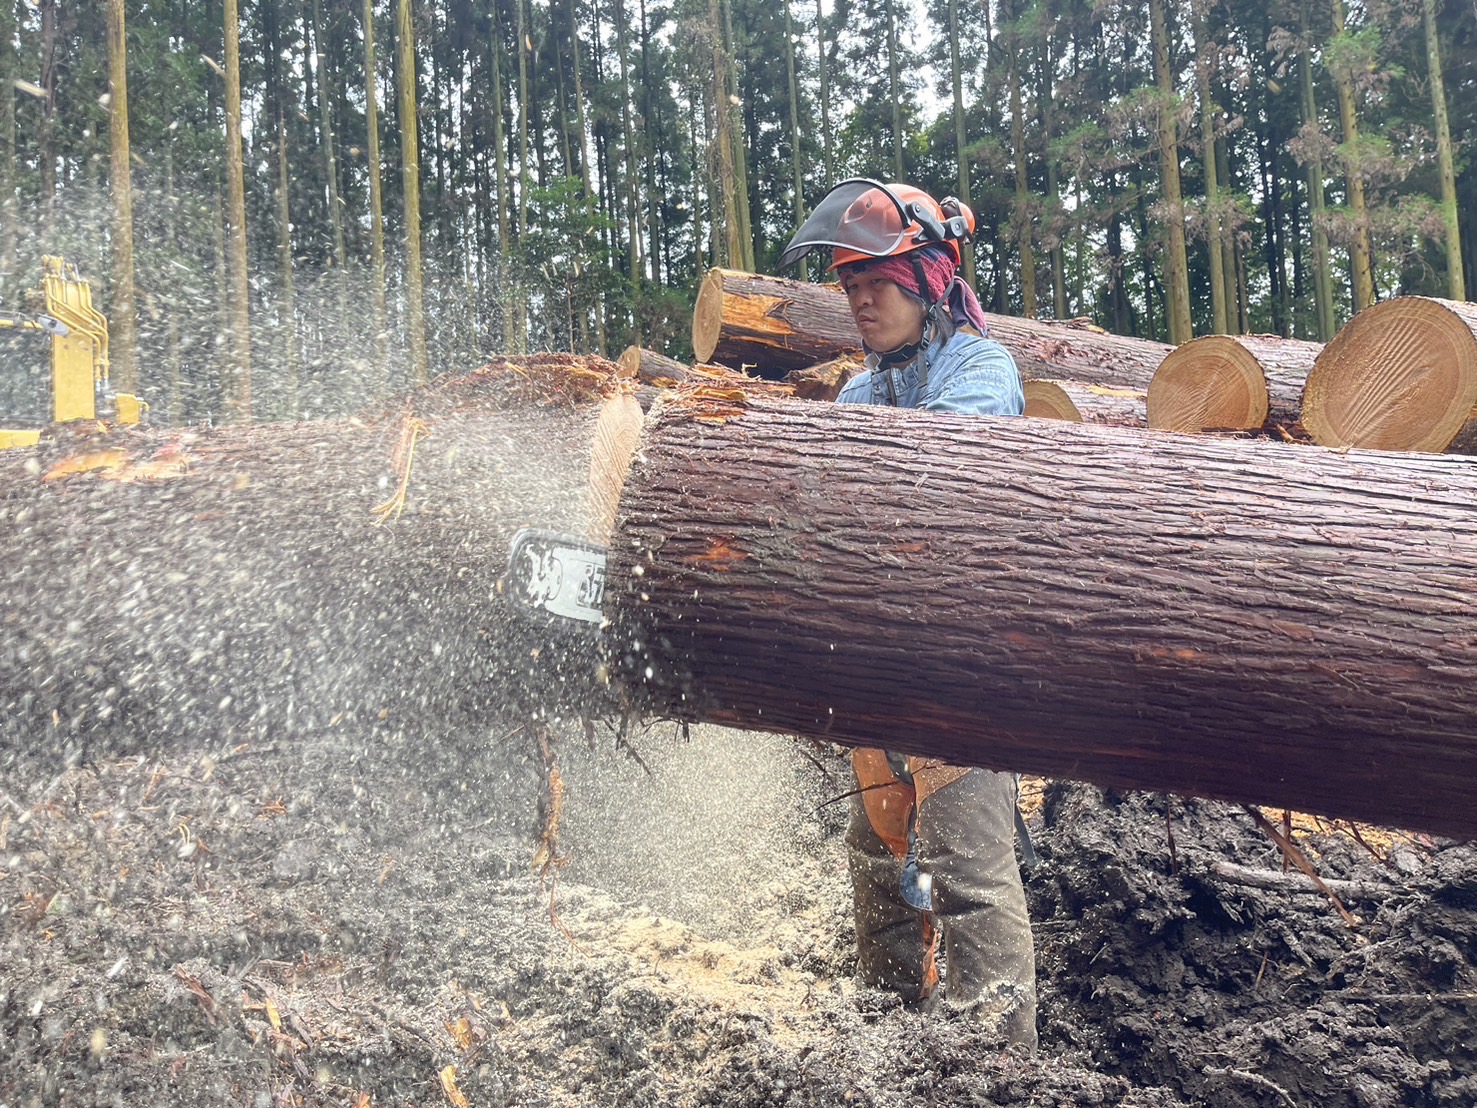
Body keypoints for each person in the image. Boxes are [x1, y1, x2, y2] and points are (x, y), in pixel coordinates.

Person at [779, 179, 1037, 1050]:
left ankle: (997, 1064)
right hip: (878, 657)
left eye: (875, 282)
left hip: (961, 660)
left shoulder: (979, 370)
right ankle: (888, 1026)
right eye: (848, 285)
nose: (859, 299)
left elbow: (938, 485)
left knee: (968, 870)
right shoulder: (859, 393)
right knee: (874, 849)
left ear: (928, 277)